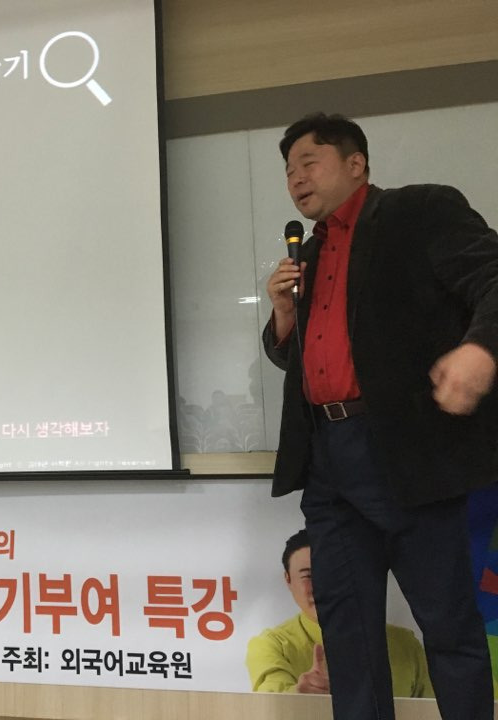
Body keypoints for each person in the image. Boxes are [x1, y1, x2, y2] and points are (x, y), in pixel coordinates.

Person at [264, 112, 498, 720]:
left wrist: (480, 349)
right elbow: (313, 355)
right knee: (348, 636)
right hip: (327, 459)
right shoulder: (310, 251)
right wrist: (283, 318)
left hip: (406, 451)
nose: (295, 178)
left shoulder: (418, 212)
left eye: (308, 162)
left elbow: (493, 277)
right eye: (288, 170)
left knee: (447, 626)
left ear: (356, 163)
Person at [246, 529, 431, 697]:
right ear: (288, 580)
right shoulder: (272, 645)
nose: (322, 587)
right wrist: (299, 696)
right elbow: (269, 705)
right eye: (308, 576)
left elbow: (434, 710)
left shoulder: (406, 645)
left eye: (332, 574)